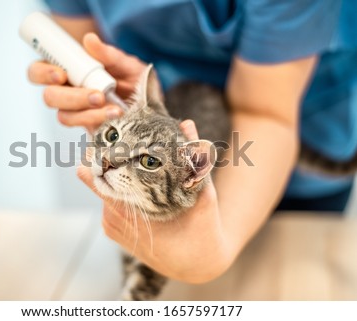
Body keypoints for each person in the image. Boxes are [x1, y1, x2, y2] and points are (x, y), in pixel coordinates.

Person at [27, 0, 357, 283]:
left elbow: (265, 112)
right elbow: (86, 53)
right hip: (159, 114)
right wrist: (92, 91)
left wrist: (213, 256)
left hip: (298, 134)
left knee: (283, 279)